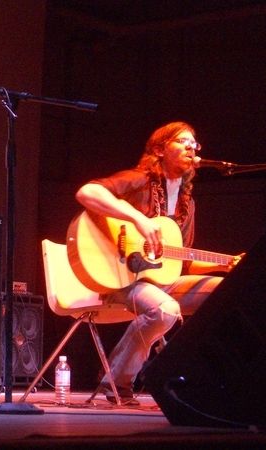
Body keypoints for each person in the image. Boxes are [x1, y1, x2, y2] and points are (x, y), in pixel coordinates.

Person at [75, 121, 241, 405]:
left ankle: (206, 380)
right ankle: (117, 381)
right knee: (165, 310)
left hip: (160, 280)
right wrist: (138, 219)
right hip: (119, 276)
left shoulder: (188, 204)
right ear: (160, 149)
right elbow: (86, 193)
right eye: (182, 141)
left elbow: (182, 263)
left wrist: (225, 265)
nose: (191, 147)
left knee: (226, 293)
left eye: (194, 143)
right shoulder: (139, 180)